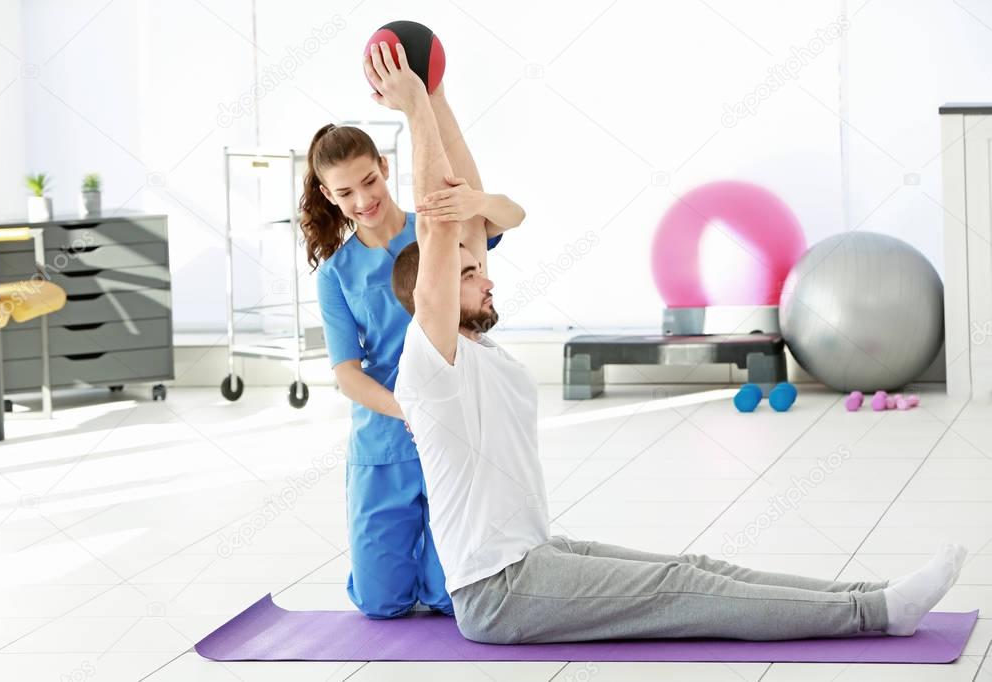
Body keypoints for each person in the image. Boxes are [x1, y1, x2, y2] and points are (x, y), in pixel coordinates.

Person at [368, 40, 970, 644]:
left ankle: (876, 598)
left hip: (529, 556)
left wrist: (439, 95)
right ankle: (878, 617)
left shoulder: (473, 345)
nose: (486, 271)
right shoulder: (432, 359)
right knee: (685, 594)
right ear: (435, 294)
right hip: (498, 591)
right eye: (468, 274)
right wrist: (415, 109)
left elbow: (462, 207)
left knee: (694, 571)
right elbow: (438, 227)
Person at [299, 54, 526, 618]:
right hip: (386, 441)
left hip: (454, 433)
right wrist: (410, 411)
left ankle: (439, 574)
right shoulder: (336, 275)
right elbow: (348, 374)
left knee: (452, 600)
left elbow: (504, 213)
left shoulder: (435, 227)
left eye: (370, 180)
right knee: (381, 604)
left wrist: (432, 103)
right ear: (330, 196)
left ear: (385, 165)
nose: (363, 200)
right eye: (345, 192)